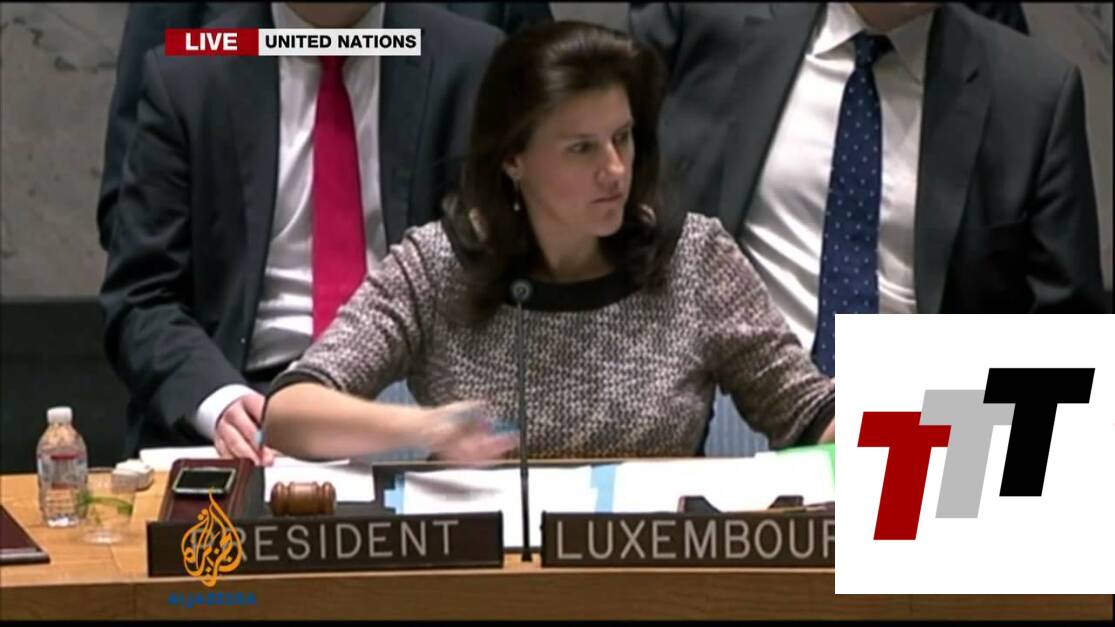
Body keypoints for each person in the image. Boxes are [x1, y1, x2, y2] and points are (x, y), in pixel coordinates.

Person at [261, 21, 836, 464]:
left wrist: (886, 436)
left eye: (622, 138)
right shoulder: (438, 265)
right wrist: (427, 429)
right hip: (491, 568)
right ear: (513, 159)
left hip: (652, 565)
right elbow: (289, 412)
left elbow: (807, 412)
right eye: (581, 148)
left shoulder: (695, 258)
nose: (615, 170)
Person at [98, 3, 502, 463]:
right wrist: (220, 399)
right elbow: (142, 298)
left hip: (415, 404)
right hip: (251, 399)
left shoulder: (469, 60)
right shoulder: (189, 70)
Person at [637, 3, 1105, 378]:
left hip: (924, 424)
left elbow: (1064, 339)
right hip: (734, 416)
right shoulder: (710, 26)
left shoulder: (1030, 92)